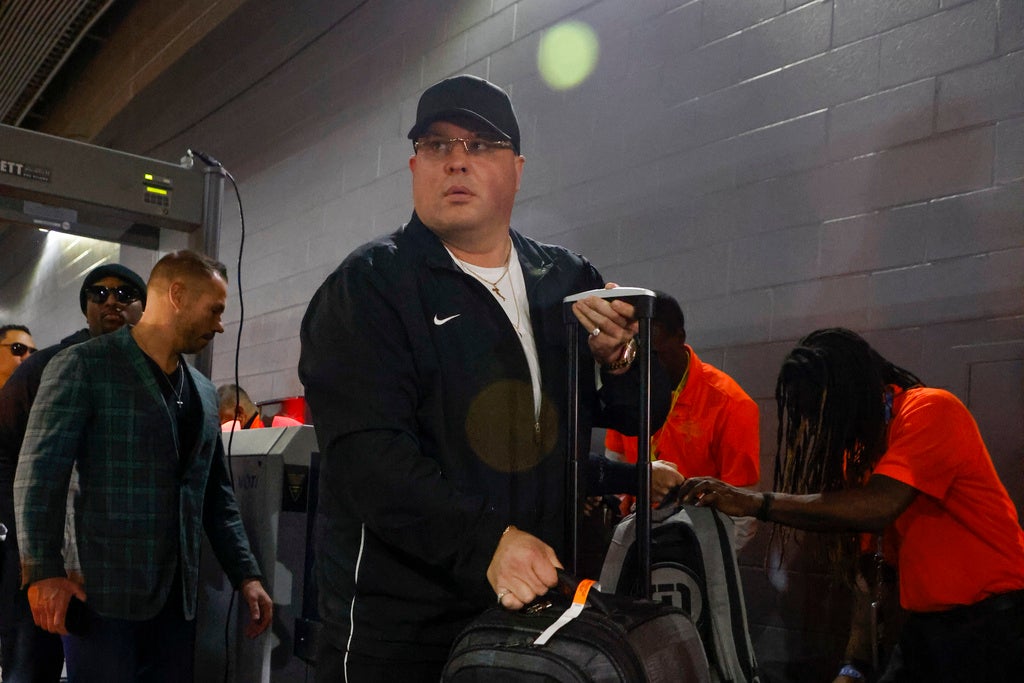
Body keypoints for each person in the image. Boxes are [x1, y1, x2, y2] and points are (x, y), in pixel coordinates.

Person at [299, 74, 675, 682]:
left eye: (480, 145)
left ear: (517, 169)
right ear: (415, 166)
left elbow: (638, 419)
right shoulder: (370, 287)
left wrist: (621, 359)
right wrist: (489, 544)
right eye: (438, 146)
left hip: (536, 614)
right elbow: (368, 458)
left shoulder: (565, 279)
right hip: (401, 631)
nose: (456, 163)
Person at [680, 327, 1024, 682]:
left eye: (821, 412)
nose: (818, 426)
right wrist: (853, 666)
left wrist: (757, 502)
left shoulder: (930, 410)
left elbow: (879, 507)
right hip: (929, 625)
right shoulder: (865, 455)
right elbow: (872, 575)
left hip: (994, 620)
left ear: (851, 391)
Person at [14, 250, 273, 682]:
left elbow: (215, 495)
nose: (221, 325)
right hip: (100, 595)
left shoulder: (206, 394)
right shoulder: (84, 366)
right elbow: (39, 475)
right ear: (176, 294)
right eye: (215, 309)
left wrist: (246, 574)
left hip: (176, 605)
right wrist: (42, 571)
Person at [0, 263, 146, 682]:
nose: (112, 301)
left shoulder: (148, 373)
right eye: (99, 294)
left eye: (124, 293)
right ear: (85, 308)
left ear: (144, 306)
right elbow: (4, 449)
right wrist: (25, 536)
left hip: (108, 563)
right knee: (32, 664)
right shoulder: (48, 365)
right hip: (42, 558)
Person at [603, 291, 760, 547]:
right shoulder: (628, 393)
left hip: (696, 545)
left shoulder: (731, 404)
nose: (647, 368)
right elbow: (614, 468)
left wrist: (710, 566)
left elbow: (743, 511)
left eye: (656, 354)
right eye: (639, 357)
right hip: (634, 538)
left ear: (680, 338)